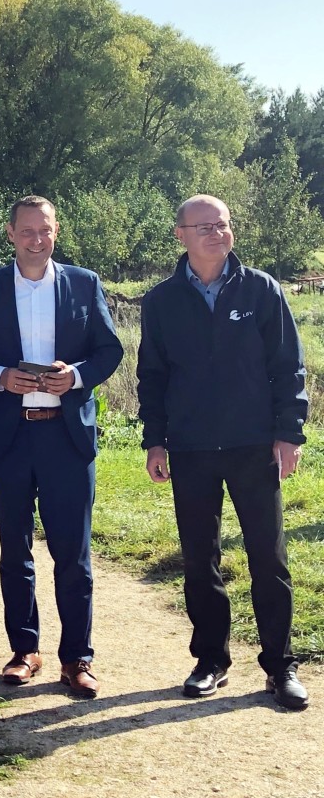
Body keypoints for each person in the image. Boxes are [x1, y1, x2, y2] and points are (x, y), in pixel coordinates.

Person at [0, 195, 123, 699]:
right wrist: (1, 377)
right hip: (10, 436)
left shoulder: (84, 284)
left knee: (74, 553)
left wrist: (79, 377)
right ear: (10, 234)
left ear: (56, 232)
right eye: (26, 231)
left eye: (44, 230)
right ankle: (25, 650)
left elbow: (109, 350)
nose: (36, 239)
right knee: (14, 551)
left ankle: (77, 659)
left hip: (66, 437)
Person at [138, 194, 309, 710]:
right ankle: (211, 659)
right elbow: (154, 376)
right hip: (190, 448)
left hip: (254, 444)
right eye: (204, 226)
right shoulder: (162, 301)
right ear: (180, 235)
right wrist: (154, 438)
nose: (217, 233)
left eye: (223, 224)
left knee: (268, 557)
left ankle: (280, 666)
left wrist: (289, 433)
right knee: (199, 558)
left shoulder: (261, 289)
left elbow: (288, 366)